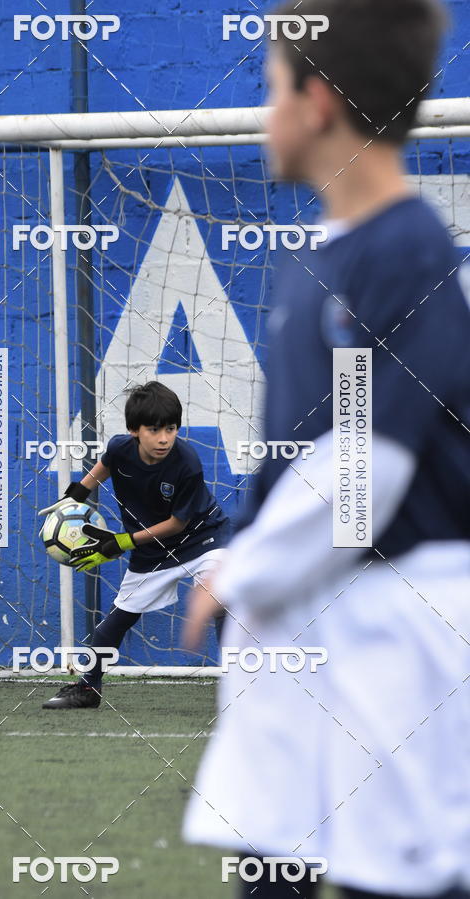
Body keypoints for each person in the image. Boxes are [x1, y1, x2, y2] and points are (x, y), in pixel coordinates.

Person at [182, 1, 470, 897]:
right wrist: (245, 553)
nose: (262, 112)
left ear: (318, 103)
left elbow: (367, 468)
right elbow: (305, 450)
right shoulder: (319, 258)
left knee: (405, 875)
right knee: (270, 860)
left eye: (272, 87)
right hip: (300, 623)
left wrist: (241, 569)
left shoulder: (409, 253)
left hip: (399, 629)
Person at [41, 381, 230, 709]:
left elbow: (177, 523)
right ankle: (88, 689)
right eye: (154, 430)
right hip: (153, 553)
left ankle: (242, 687)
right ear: (134, 431)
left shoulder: (187, 462)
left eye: (171, 429)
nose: (164, 438)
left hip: (204, 539)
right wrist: (75, 497)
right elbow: (103, 467)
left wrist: (122, 542)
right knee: (112, 625)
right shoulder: (120, 448)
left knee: (220, 600)